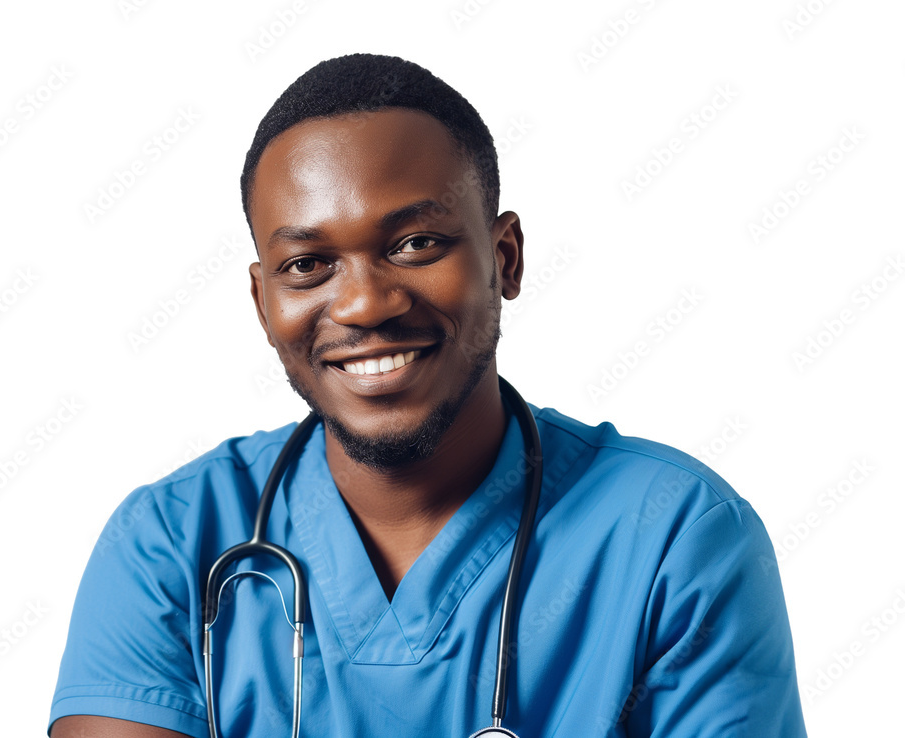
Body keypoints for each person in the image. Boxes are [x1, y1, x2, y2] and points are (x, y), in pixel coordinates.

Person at [49, 53, 807, 737]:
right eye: (308, 264)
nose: (366, 305)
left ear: (503, 259)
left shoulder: (675, 538)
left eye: (415, 245)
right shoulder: (167, 545)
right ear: (262, 301)